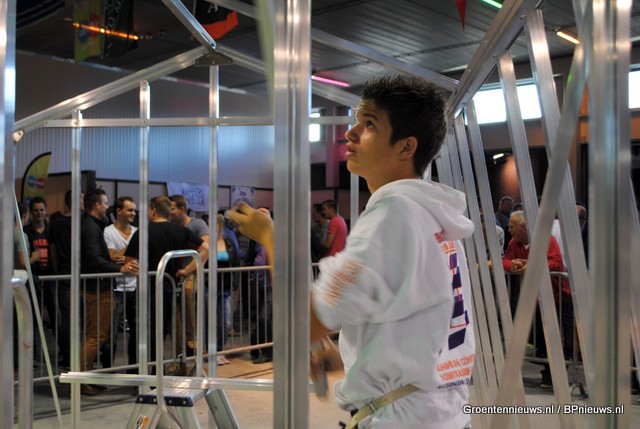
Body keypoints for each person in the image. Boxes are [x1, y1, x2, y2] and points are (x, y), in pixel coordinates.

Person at [228, 75, 475, 429]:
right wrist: (353, 358)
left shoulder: (393, 216)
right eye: (357, 121)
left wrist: (269, 237)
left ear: (406, 147)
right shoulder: (433, 218)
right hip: (440, 413)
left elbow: (303, 322)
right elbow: (418, 322)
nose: (351, 133)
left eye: (369, 124)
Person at [124, 196, 208, 369]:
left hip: (147, 289)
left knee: (142, 332)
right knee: (162, 332)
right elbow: (205, 249)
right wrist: (187, 269)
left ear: (154, 210)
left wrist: (135, 268)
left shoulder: (143, 232)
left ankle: (139, 371)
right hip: (170, 288)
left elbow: (129, 261)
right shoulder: (181, 231)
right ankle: (158, 369)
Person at [503, 211, 573, 388]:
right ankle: (549, 371)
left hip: (558, 296)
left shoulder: (546, 239)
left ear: (523, 227)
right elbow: (506, 260)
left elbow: (555, 262)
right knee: (539, 336)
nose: (509, 230)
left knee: (558, 336)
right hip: (534, 298)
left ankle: (556, 373)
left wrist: (531, 266)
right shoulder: (514, 243)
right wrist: (513, 265)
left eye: (512, 226)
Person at [80, 189, 139, 395]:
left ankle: (86, 378)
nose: (107, 207)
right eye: (105, 203)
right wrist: (119, 267)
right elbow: (96, 259)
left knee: (96, 335)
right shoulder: (93, 228)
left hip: (102, 288)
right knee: (96, 336)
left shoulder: (92, 226)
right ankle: (81, 381)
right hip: (99, 289)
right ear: (97, 205)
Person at [169, 194, 210, 357]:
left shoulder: (198, 224)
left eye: (172, 208)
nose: (169, 212)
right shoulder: (171, 226)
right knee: (176, 317)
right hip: (175, 274)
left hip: (191, 273)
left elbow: (205, 251)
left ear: (182, 209)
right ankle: (179, 355)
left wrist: (188, 270)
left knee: (188, 296)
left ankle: (193, 341)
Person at [103, 196, 138, 368]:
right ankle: (108, 370)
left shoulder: (137, 231)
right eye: (129, 210)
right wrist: (132, 252)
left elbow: (142, 255)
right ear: (119, 211)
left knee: (137, 332)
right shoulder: (108, 232)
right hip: (116, 289)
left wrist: (124, 255)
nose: (133, 213)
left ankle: (134, 369)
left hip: (135, 287)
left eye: (134, 210)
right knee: (111, 333)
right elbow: (111, 256)